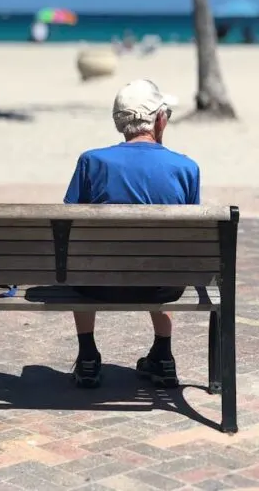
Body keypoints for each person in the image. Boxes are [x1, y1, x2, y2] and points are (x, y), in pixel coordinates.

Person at [64, 79, 200, 389]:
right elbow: (189, 238)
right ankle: (163, 356)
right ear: (159, 119)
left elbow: (68, 224)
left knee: (80, 258)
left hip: (97, 285)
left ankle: (87, 357)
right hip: (162, 287)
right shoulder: (186, 168)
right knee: (164, 257)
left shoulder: (92, 161)